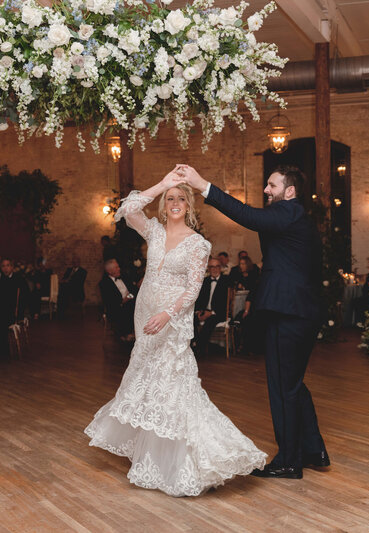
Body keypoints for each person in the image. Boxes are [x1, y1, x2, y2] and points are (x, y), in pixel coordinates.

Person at [85, 169, 266, 497]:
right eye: (171, 199)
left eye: (181, 198)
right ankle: (152, 457)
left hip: (171, 321)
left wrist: (167, 315)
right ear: (164, 205)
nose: (175, 202)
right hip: (145, 321)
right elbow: (125, 210)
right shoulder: (153, 232)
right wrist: (163, 184)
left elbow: (193, 288)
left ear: (190, 205)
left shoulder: (199, 244)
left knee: (173, 386)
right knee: (150, 384)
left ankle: (183, 463)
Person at [177, 164, 329, 480]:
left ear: (290, 192)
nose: (266, 190)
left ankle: (289, 461)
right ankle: (313, 450)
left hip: (288, 312)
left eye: (272, 185)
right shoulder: (296, 217)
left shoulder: (289, 212)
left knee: (282, 387)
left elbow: (248, 216)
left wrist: (203, 184)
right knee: (294, 385)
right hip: (300, 311)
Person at [193, 257, 230, 354]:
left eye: (217, 266)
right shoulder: (204, 281)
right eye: (211, 267)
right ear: (208, 269)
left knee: (210, 321)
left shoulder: (226, 281)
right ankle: (195, 343)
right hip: (204, 311)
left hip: (218, 313)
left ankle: (199, 348)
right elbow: (198, 299)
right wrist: (198, 312)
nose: (214, 269)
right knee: (191, 319)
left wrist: (211, 313)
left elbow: (226, 303)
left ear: (220, 268)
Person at [99, 259, 137, 342]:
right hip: (116, 308)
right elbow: (113, 302)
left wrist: (129, 297)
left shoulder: (124, 277)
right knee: (128, 309)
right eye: (116, 267)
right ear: (109, 271)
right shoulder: (104, 284)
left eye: (118, 267)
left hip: (130, 302)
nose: (119, 269)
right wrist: (126, 299)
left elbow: (134, 290)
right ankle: (127, 334)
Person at [0, 258, 29, 360]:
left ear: (12, 267)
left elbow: (25, 296)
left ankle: (4, 352)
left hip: (15, 312)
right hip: (3, 310)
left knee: (2, 322)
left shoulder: (19, 279)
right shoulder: (1, 280)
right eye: (3, 266)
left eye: (7, 265)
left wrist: (19, 310)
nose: (5, 268)